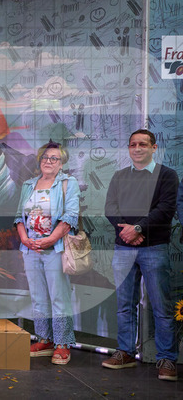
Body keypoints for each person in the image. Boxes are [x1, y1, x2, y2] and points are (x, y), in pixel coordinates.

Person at [104, 129, 178, 381]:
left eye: (143, 144)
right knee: (125, 305)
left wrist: (137, 229)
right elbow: (110, 208)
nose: (137, 148)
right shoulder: (119, 176)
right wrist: (127, 232)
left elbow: (165, 209)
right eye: (133, 144)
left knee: (161, 306)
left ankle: (166, 358)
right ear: (129, 148)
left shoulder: (167, 175)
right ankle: (125, 352)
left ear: (154, 148)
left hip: (154, 248)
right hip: (123, 248)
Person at [13, 141, 78, 365]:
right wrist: (24, 239)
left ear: (62, 163)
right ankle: (45, 339)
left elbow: (70, 216)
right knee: (38, 297)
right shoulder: (28, 185)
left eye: (54, 158)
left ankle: (63, 344)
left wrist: (50, 240)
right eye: (45, 157)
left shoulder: (68, 183)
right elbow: (18, 217)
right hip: (30, 249)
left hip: (55, 248)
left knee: (59, 297)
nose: (48, 161)